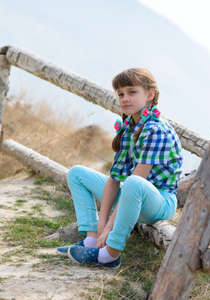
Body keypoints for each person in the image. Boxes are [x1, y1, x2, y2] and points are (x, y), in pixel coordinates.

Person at [57, 68, 183, 268]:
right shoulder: (128, 128)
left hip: (158, 203)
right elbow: (114, 180)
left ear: (149, 94)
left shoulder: (156, 130)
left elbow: (137, 180)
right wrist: (101, 225)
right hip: (132, 197)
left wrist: (109, 228)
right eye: (121, 94)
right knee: (77, 173)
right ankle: (91, 242)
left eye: (132, 92)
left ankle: (110, 254)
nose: (125, 98)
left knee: (133, 182)